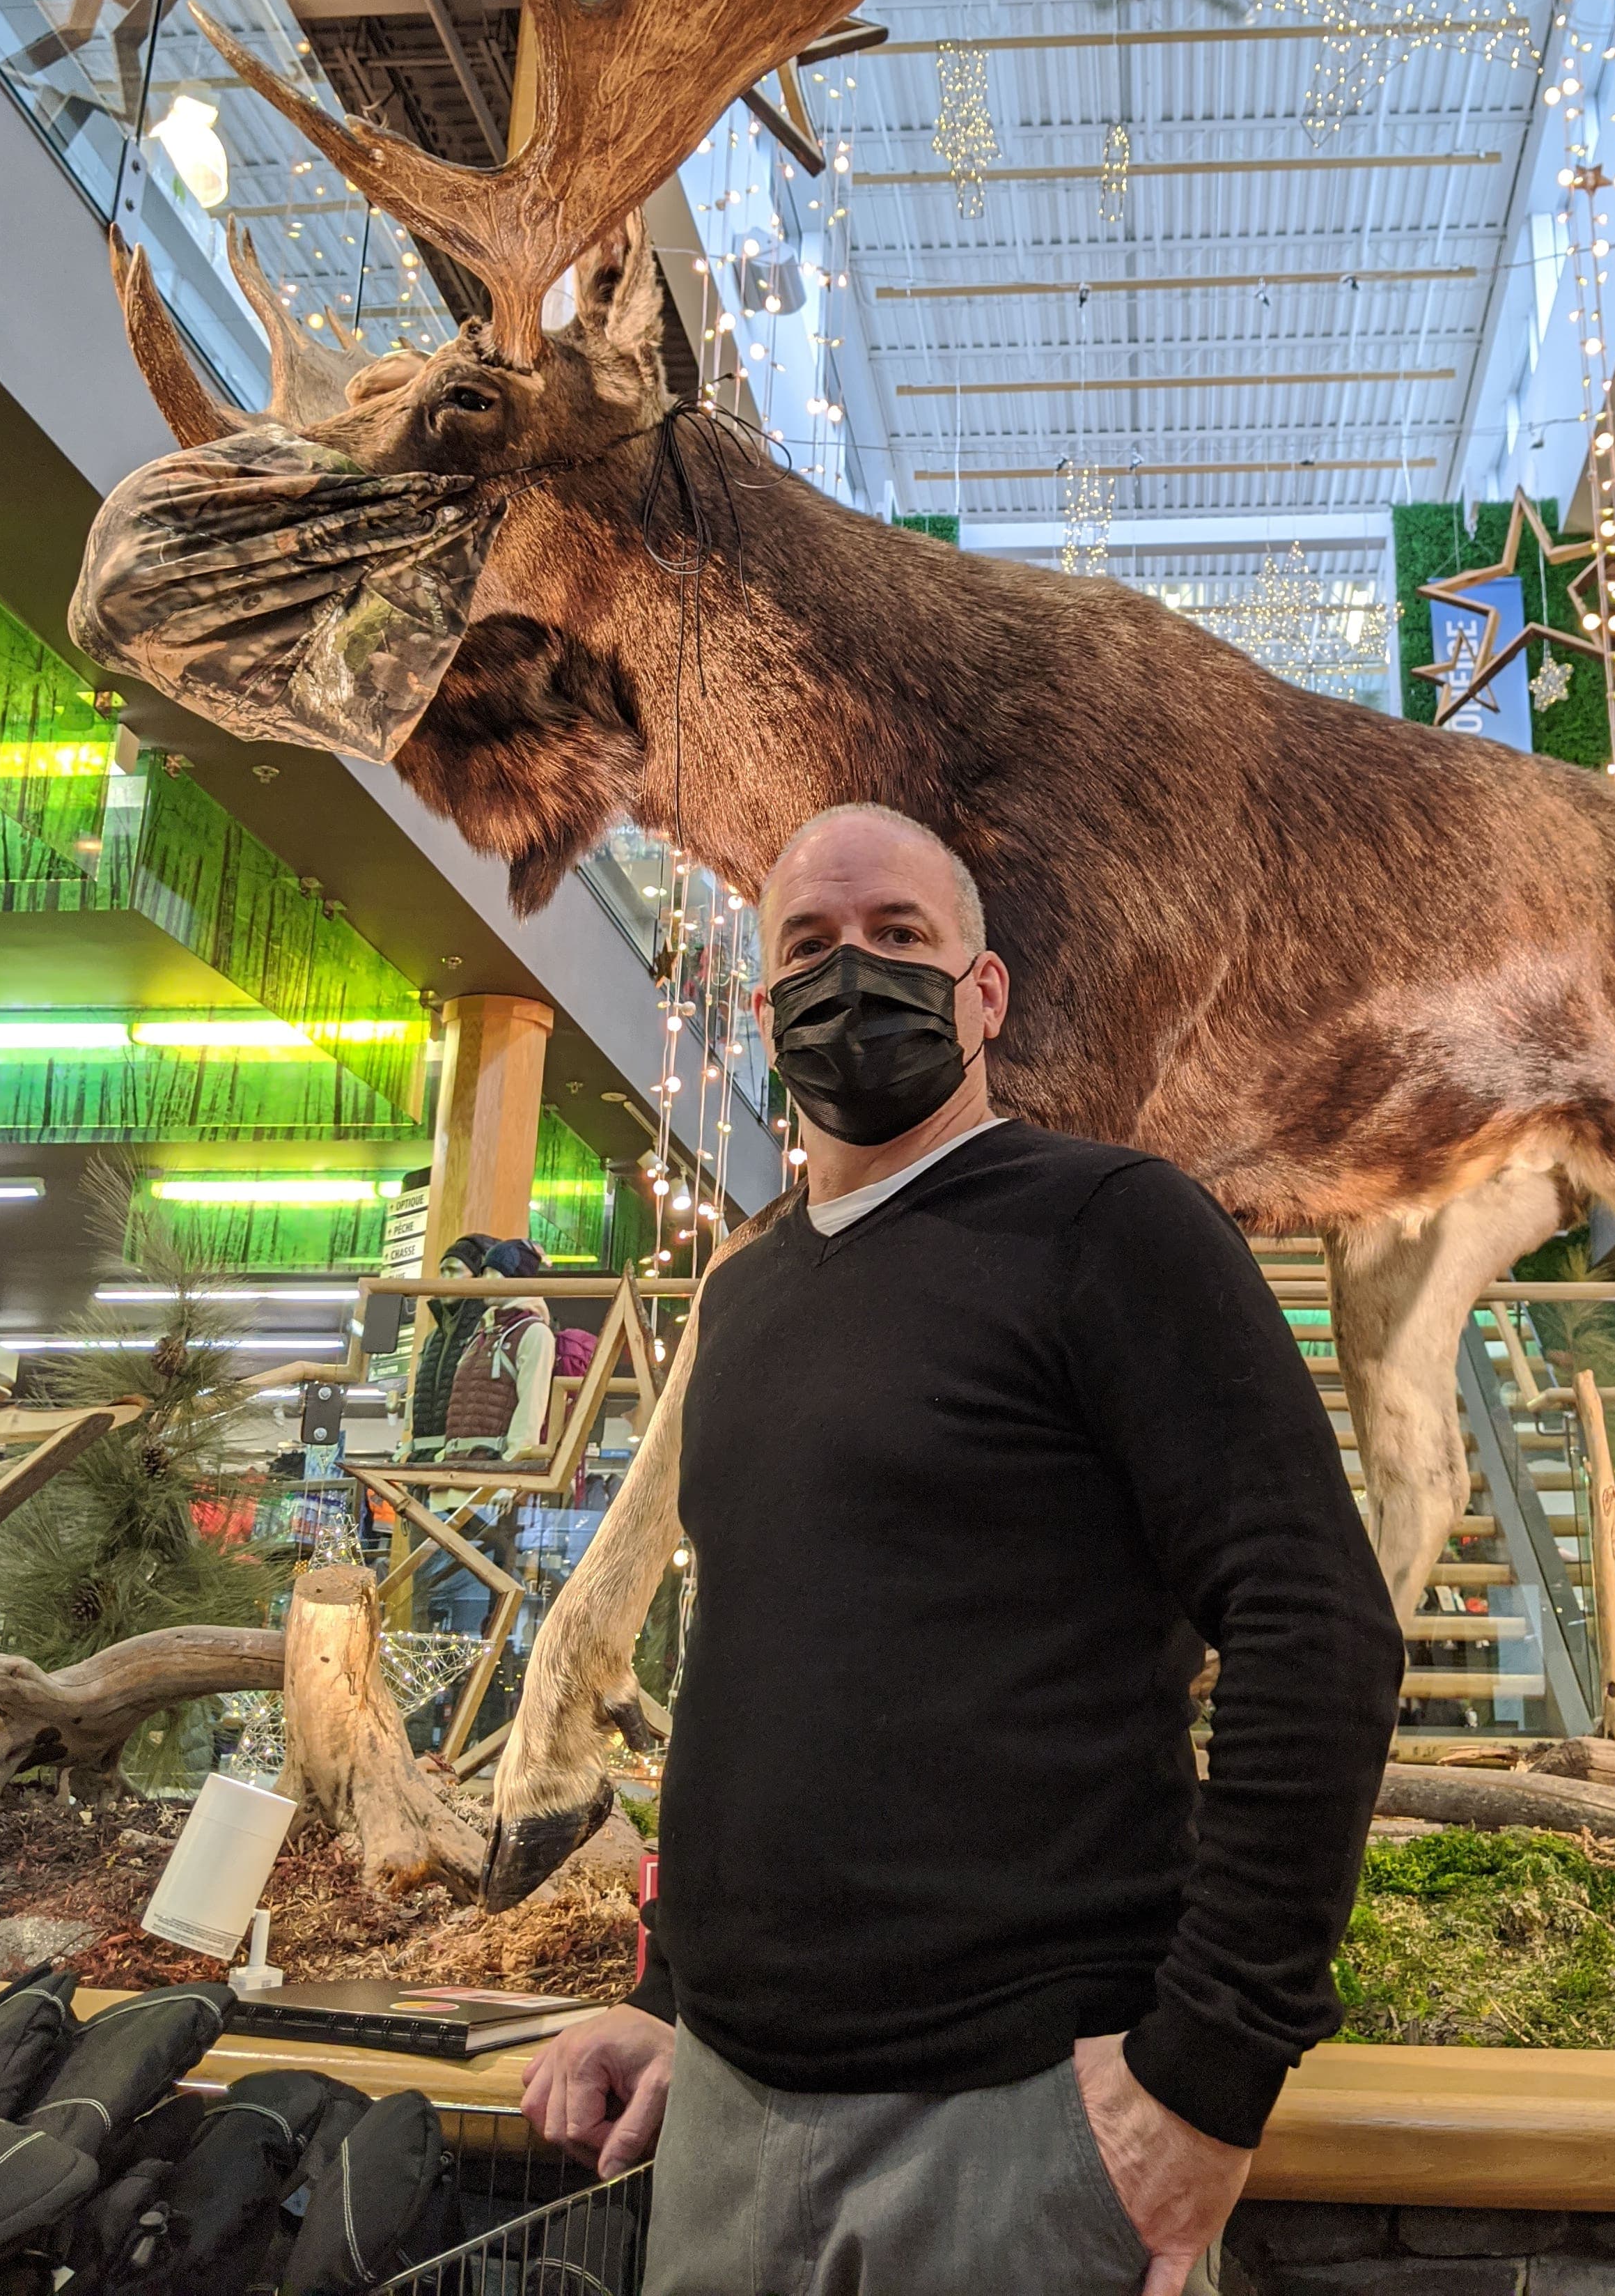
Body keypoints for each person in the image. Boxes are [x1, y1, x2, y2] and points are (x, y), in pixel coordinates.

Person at [522, 803, 1405, 2295]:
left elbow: (1316, 1626)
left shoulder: (1113, 1227)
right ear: (762, 1005)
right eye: (809, 944)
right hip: (728, 2124)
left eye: (899, 938)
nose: (849, 971)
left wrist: (1206, 2074)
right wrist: (670, 1996)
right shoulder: (744, 1299)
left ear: (983, 995)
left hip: (1013, 2132)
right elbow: (744, 1668)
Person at [441, 1236, 556, 1463]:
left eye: (494, 1272)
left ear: (517, 1279)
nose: (485, 1280)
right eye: (484, 1272)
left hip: (489, 1480)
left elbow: (530, 1414)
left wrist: (510, 1479)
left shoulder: (534, 1333)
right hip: (451, 1475)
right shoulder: (481, 1334)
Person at [402, 1232, 494, 1463]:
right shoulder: (433, 1339)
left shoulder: (490, 1332)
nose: (444, 1278)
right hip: (425, 1460)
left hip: (464, 1462)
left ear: (479, 1276)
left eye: (453, 1271)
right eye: (442, 1271)